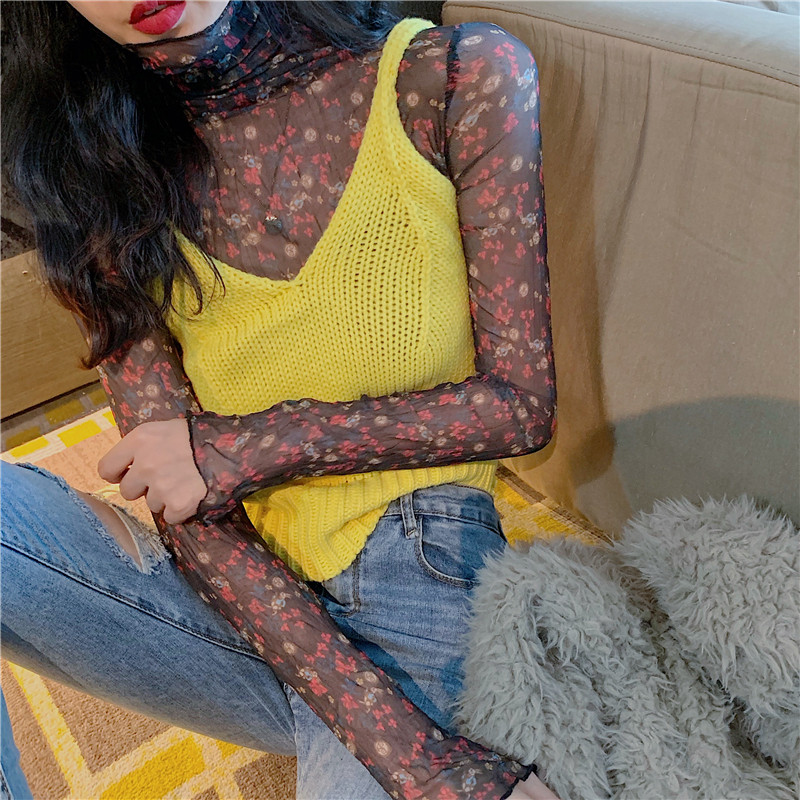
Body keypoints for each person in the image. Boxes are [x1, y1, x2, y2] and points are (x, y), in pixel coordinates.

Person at [0, 2, 559, 798]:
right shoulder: (102, 176)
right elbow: (183, 500)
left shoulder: (451, 77)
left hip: (411, 570)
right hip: (237, 598)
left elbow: (520, 403)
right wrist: (422, 763)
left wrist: (239, 449)